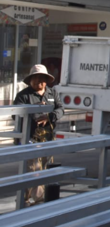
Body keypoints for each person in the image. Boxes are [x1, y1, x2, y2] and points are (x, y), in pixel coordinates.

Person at [13, 64, 64, 206]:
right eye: (35, 78)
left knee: (44, 170)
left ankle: (23, 199)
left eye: (42, 78)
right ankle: (39, 201)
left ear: (47, 80)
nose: (38, 82)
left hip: (47, 139)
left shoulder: (52, 93)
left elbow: (60, 109)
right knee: (33, 170)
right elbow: (15, 116)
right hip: (29, 139)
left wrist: (50, 116)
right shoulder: (23, 96)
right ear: (30, 80)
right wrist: (36, 112)